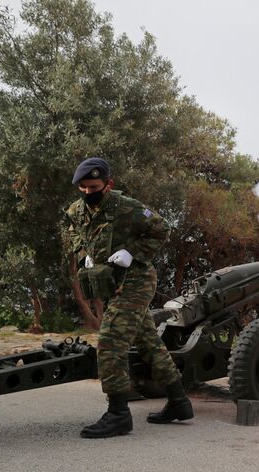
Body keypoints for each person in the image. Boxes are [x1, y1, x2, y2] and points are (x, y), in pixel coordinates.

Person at [65, 157, 193, 438]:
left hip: (136, 282)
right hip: (111, 285)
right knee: (148, 342)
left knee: (109, 341)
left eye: (94, 186)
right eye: (83, 188)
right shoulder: (77, 210)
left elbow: (161, 229)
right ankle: (179, 402)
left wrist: (132, 253)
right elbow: (72, 231)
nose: (88, 192)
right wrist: (83, 254)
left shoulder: (127, 207)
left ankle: (119, 414)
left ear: (108, 184)